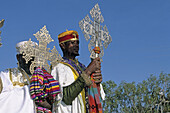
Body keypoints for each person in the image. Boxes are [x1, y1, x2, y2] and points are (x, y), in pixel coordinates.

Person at [51, 30, 105, 113]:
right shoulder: (58, 67)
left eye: (77, 43)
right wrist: (88, 71)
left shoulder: (82, 67)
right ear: (63, 46)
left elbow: (96, 94)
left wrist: (96, 82)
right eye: (72, 43)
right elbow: (66, 97)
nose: (76, 46)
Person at [0, 41, 37, 113]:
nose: (29, 61)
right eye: (25, 56)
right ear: (18, 58)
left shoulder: (43, 76)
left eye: (32, 57)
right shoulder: (6, 75)